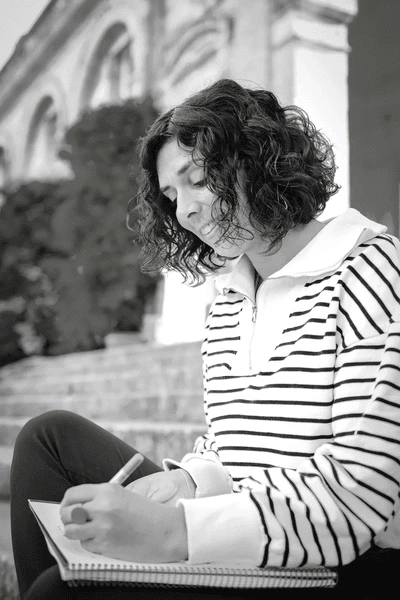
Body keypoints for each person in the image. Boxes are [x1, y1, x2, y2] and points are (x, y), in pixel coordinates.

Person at [10, 78, 400, 600]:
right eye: (171, 196)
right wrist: (187, 482)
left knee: (58, 592)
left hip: (342, 564)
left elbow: (361, 494)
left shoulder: (371, 271)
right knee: (48, 438)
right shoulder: (229, 302)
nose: (185, 212)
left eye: (196, 178)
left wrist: (174, 533)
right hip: (244, 524)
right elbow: (233, 446)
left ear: (258, 158)